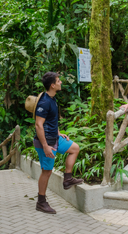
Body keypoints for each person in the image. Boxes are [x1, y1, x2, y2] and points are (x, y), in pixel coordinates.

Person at [34, 72, 83, 214]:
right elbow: (39, 125)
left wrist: (58, 132)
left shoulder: (52, 98)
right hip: (46, 142)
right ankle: (41, 202)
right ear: (52, 85)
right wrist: (45, 146)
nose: (61, 82)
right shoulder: (44, 102)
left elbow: (51, 120)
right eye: (58, 80)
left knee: (74, 148)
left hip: (54, 138)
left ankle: (67, 179)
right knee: (47, 172)